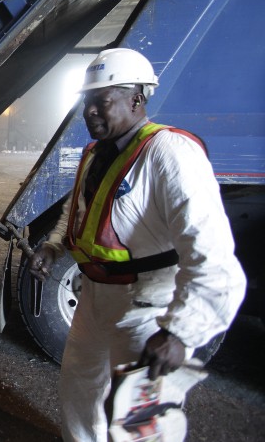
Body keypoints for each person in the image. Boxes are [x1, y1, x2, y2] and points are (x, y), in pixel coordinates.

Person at [28, 48, 246, 441]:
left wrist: (180, 333)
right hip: (93, 297)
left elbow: (213, 258)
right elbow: (79, 211)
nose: (91, 111)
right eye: (87, 102)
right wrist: (56, 246)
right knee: (79, 388)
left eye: (102, 101)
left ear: (136, 100)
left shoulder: (169, 153)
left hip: (146, 306)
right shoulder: (96, 153)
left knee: (140, 420)